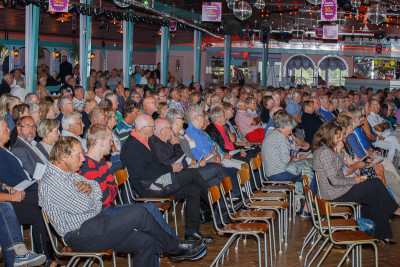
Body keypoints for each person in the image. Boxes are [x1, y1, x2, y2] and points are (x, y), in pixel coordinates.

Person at [39, 136, 207, 266]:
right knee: (140, 212)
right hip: (80, 234)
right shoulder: (53, 181)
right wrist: (93, 194)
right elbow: (91, 204)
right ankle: (175, 248)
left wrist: (90, 191)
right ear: (63, 156)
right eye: (78, 155)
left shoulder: (69, 173)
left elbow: (95, 189)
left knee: (146, 241)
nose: (83, 159)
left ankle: (175, 247)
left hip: (95, 222)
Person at [120, 114, 214, 242]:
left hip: (158, 180)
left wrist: (171, 167)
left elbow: (156, 165)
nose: (154, 129)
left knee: (194, 188)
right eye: (152, 126)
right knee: (192, 174)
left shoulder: (146, 141)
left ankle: (192, 232)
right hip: (148, 187)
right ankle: (216, 204)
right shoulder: (131, 146)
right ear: (142, 128)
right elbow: (144, 173)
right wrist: (171, 168)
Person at [312, 120, 400, 244]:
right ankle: (392, 210)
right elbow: (334, 180)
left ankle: (379, 232)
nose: (340, 139)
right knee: (376, 184)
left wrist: (340, 152)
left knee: (374, 196)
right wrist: (354, 180)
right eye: (337, 137)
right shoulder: (325, 152)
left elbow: (337, 170)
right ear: (329, 135)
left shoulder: (323, 149)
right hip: (334, 193)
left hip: (335, 189)